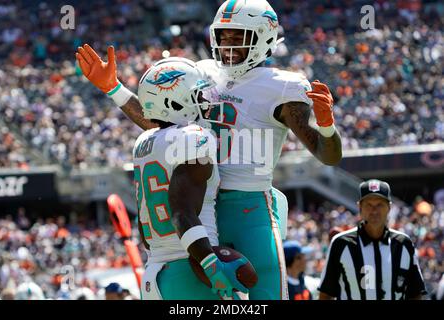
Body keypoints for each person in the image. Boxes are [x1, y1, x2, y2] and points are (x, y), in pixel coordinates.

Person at [76, 0, 342, 300]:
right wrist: (115, 89)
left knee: (266, 297)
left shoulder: (282, 86)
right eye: (223, 35)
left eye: (237, 36)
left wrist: (326, 125)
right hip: (201, 204)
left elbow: (327, 155)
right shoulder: (201, 72)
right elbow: (163, 123)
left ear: (264, 37)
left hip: (249, 205)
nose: (227, 44)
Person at [133, 57, 249, 300]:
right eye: (198, 94)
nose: (204, 100)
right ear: (173, 102)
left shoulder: (143, 143)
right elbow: (181, 213)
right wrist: (212, 266)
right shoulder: (194, 137)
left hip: (154, 276)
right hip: (192, 270)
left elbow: (144, 235)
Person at [318, 179, 427, 300]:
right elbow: (326, 294)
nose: (374, 211)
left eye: (379, 204)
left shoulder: (403, 244)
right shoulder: (341, 243)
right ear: (360, 207)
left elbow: (415, 293)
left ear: (389, 207)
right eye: (368, 205)